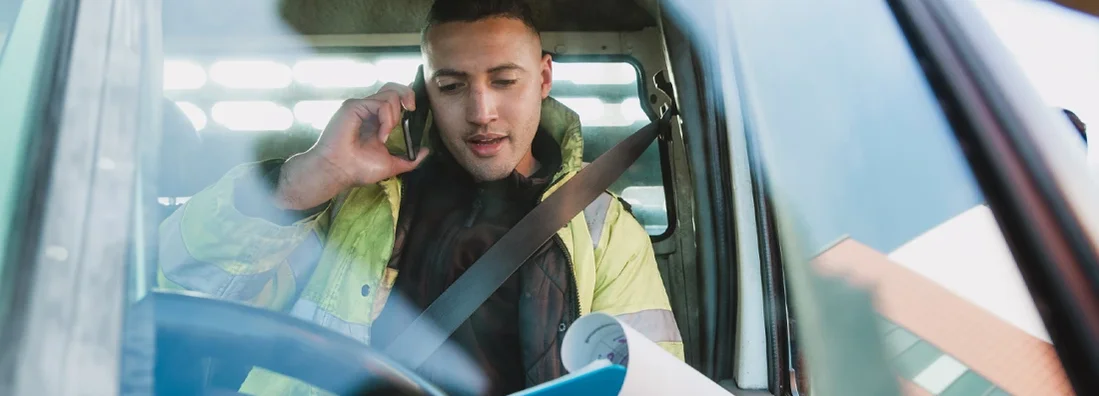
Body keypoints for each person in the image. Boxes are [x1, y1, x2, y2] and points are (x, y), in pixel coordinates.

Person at [157, 0, 683, 394]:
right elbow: (187, 282)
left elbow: (652, 383)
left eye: (504, 81)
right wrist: (307, 179)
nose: (481, 111)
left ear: (543, 77)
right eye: (452, 86)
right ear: (425, 89)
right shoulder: (354, 199)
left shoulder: (604, 229)